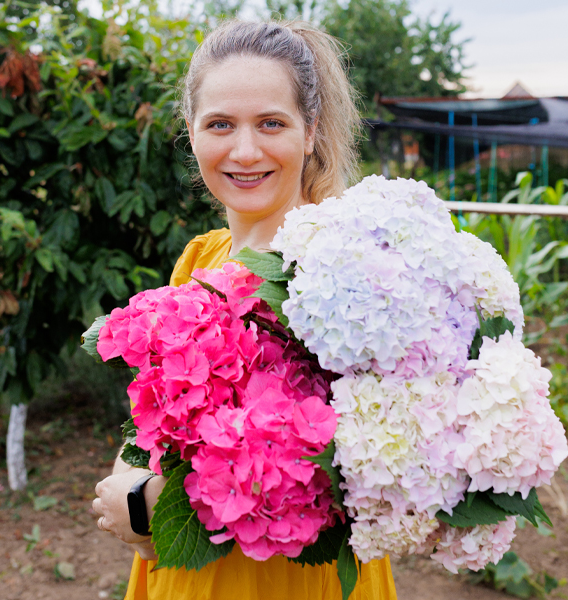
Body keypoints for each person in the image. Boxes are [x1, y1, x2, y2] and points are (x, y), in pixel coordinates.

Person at [92, 19, 398, 600]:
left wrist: (156, 504)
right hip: (186, 583)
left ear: (311, 131)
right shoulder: (201, 257)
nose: (245, 150)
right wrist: (133, 490)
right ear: (192, 132)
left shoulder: (354, 270)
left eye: (271, 123)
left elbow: (391, 471)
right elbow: (156, 423)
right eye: (221, 125)